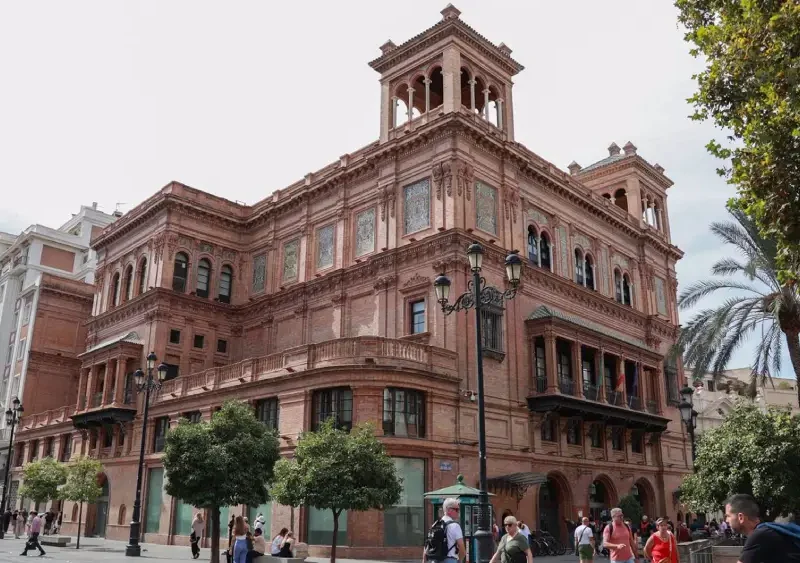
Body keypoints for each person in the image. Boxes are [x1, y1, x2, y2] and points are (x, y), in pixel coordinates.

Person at [725, 493, 800, 562]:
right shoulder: (766, 530)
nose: (726, 520)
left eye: (728, 516)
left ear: (741, 517)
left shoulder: (759, 536)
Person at [423, 497, 465, 563]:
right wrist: (460, 560)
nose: (458, 512)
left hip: (434, 560)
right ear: (448, 510)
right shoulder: (455, 526)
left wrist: (424, 561)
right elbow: (462, 548)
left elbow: (427, 545)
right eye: (456, 510)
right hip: (450, 560)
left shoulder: (435, 525)